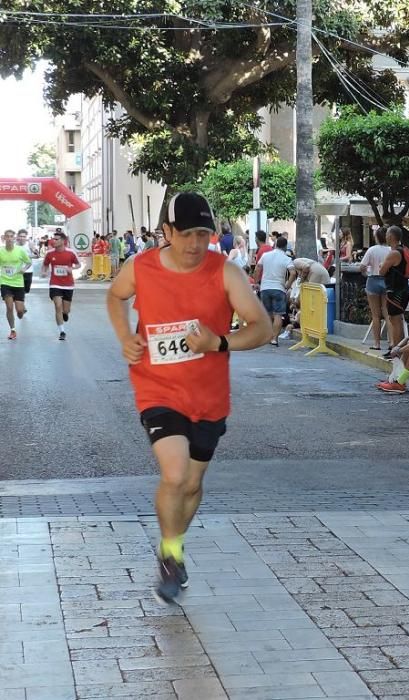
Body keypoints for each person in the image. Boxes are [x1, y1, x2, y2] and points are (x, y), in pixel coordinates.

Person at [106, 192, 272, 603]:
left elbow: (262, 327)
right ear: (167, 232)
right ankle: (169, 553)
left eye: (204, 234)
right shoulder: (141, 267)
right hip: (156, 388)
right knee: (176, 474)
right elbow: (115, 296)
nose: (196, 244)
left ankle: (173, 547)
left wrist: (219, 342)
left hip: (209, 395)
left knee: (194, 483)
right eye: (187, 234)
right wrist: (126, 336)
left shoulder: (225, 272)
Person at [41, 231, 82, 341]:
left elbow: (79, 264)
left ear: (63, 241)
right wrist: (44, 272)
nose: (53, 241)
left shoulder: (71, 253)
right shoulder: (50, 254)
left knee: (66, 310)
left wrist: (71, 269)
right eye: (53, 239)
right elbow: (44, 265)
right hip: (55, 283)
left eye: (56, 239)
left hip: (68, 285)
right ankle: (62, 331)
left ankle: (65, 313)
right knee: (57, 306)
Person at [255, 235, 295, 346]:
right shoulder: (287, 258)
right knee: (278, 314)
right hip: (279, 288)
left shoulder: (265, 255)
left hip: (265, 288)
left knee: (267, 314)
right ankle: (274, 338)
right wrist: (287, 285)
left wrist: (256, 282)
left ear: (276, 245)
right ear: (285, 247)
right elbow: (293, 273)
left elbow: (258, 268)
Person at [379, 226, 409, 355]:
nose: (385, 237)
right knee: (395, 319)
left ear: (391, 236)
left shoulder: (394, 253)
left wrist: (382, 265)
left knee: (395, 320)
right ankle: (397, 349)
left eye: (387, 234)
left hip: (397, 291)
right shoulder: (403, 250)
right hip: (401, 289)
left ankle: (397, 350)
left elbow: (382, 271)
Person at [359, 229, 391, 350]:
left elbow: (362, 266)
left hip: (373, 280)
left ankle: (377, 343)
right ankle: (392, 342)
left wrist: (366, 273)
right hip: (386, 281)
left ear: (376, 237)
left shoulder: (372, 250)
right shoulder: (391, 250)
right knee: (387, 314)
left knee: (375, 315)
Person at [0, 229, 31, 340]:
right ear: (4, 238)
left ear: (14, 239)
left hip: (18, 283)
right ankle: (13, 330)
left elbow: (28, 262)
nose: (9, 239)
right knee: (9, 307)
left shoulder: (20, 251)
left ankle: (21, 313)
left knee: (19, 311)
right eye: (7, 236)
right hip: (5, 282)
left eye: (11, 237)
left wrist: (24, 269)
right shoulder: (0, 251)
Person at [16, 229, 37, 295]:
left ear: (26, 237)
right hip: (17, 270)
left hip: (28, 270)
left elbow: (37, 256)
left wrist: (27, 256)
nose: (22, 238)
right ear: (18, 237)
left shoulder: (29, 244)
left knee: (26, 290)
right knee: (17, 290)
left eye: (24, 236)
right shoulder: (14, 245)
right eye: (20, 236)